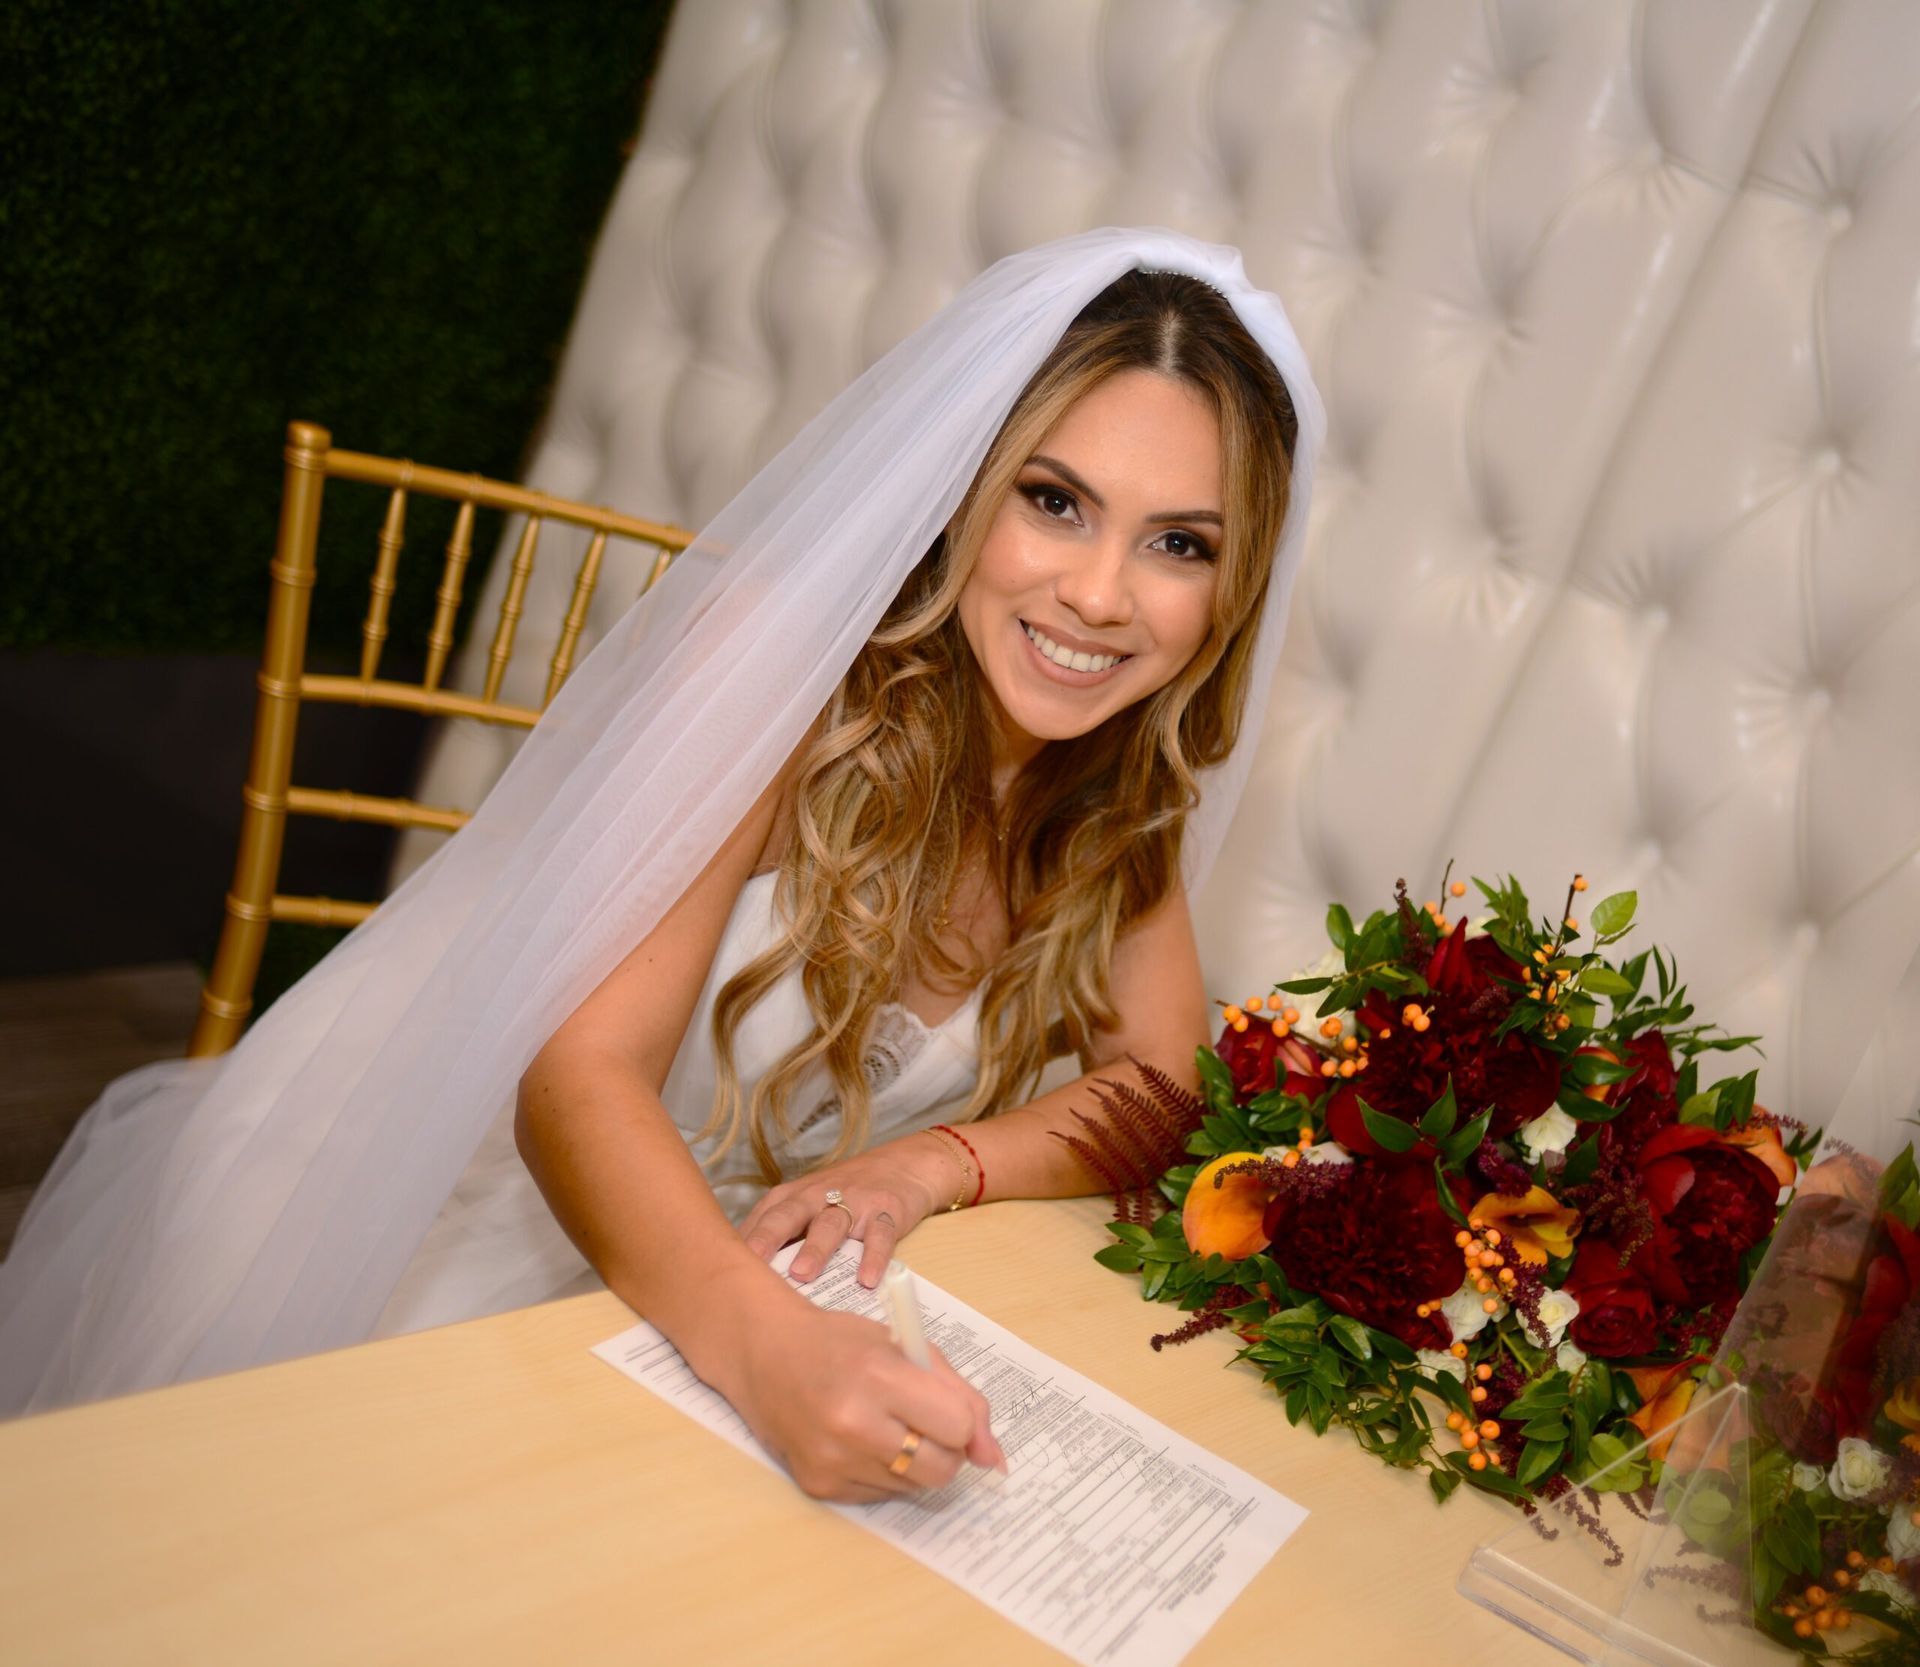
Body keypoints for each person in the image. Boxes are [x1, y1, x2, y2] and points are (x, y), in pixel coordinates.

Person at [0, 230, 1324, 1501]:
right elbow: (574, 1080)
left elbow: (1156, 1085)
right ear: (964, 491)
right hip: (467, 1225)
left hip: (765, 1286)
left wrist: (931, 1166)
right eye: (1055, 502)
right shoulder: (780, 660)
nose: (1101, 594)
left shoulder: (1116, 786)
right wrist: (768, 1349)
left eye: (1179, 544)